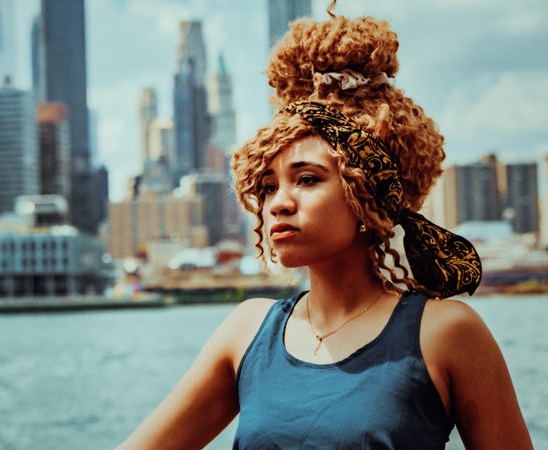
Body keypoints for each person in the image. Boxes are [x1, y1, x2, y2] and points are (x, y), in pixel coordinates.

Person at [116, 9, 534, 450]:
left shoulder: (446, 332)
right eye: (268, 185)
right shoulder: (247, 332)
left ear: (367, 192)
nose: (278, 202)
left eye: (308, 179)